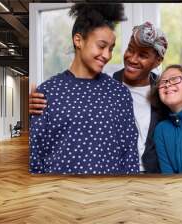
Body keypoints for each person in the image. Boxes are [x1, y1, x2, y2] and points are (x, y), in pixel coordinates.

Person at [29, 22, 182, 173]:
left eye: (143, 55)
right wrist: (39, 103)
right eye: (130, 50)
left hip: (152, 178)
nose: (132, 58)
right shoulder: (104, 85)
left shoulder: (165, 92)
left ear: (157, 61)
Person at [29, 3, 140, 174]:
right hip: (59, 194)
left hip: (111, 194)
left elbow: (129, 154)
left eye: (111, 49)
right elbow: (36, 157)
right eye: (101, 46)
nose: (107, 55)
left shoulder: (120, 94)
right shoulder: (47, 93)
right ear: (78, 40)